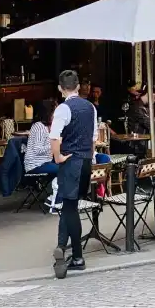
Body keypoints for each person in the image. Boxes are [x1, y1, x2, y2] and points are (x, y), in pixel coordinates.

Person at [50, 70, 98, 279]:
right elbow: (94, 137)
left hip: (71, 162)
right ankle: (61, 246)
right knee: (70, 205)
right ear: (78, 86)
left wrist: (58, 157)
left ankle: (77, 256)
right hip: (86, 160)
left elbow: (54, 137)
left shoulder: (63, 108)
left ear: (60, 89)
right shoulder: (91, 107)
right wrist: (90, 155)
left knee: (70, 208)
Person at [23, 104, 59, 177]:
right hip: (35, 165)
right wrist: (54, 144)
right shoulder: (39, 127)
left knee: (68, 166)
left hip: (45, 162)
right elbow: (38, 150)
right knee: (64, 169)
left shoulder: (48, 127)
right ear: (48, 113)